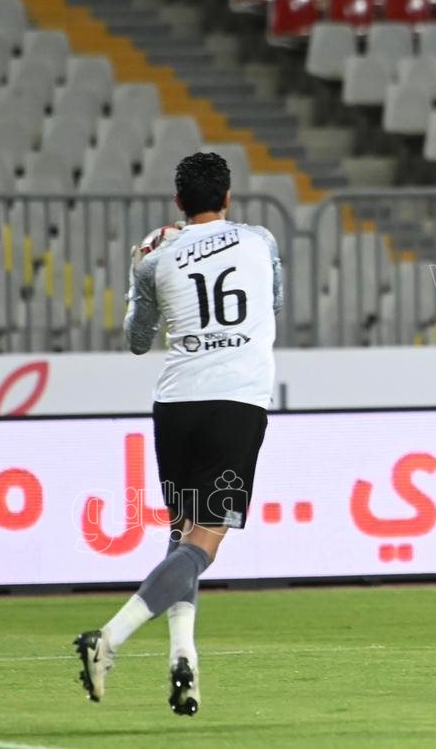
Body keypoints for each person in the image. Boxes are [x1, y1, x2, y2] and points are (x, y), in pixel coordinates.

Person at [74, 151, 283, 716]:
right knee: (203, 543)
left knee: (182, 534)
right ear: (228, 197)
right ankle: (108, 639)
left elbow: (137, 340)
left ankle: (182, 662)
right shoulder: (260, 241)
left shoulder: (155, 256)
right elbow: (274, 303)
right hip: (235, 402)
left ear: (178, 202)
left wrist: (138, 274)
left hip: (176, 406)